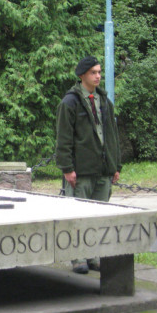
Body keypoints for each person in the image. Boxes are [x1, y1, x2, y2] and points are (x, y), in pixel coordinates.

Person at [56, 56, 122, 275]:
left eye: (99, 72)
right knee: (77, 215)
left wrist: (115, 165)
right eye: (93, 72)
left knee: (98, 216)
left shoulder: (104, 101)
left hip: (102, 170)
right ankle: (78, 258)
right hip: (80, 171)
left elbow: (112, 136)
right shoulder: (70, 102)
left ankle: (93, 256)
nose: (98, 76)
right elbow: (64, 138)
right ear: (82, 75)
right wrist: (67, 168)